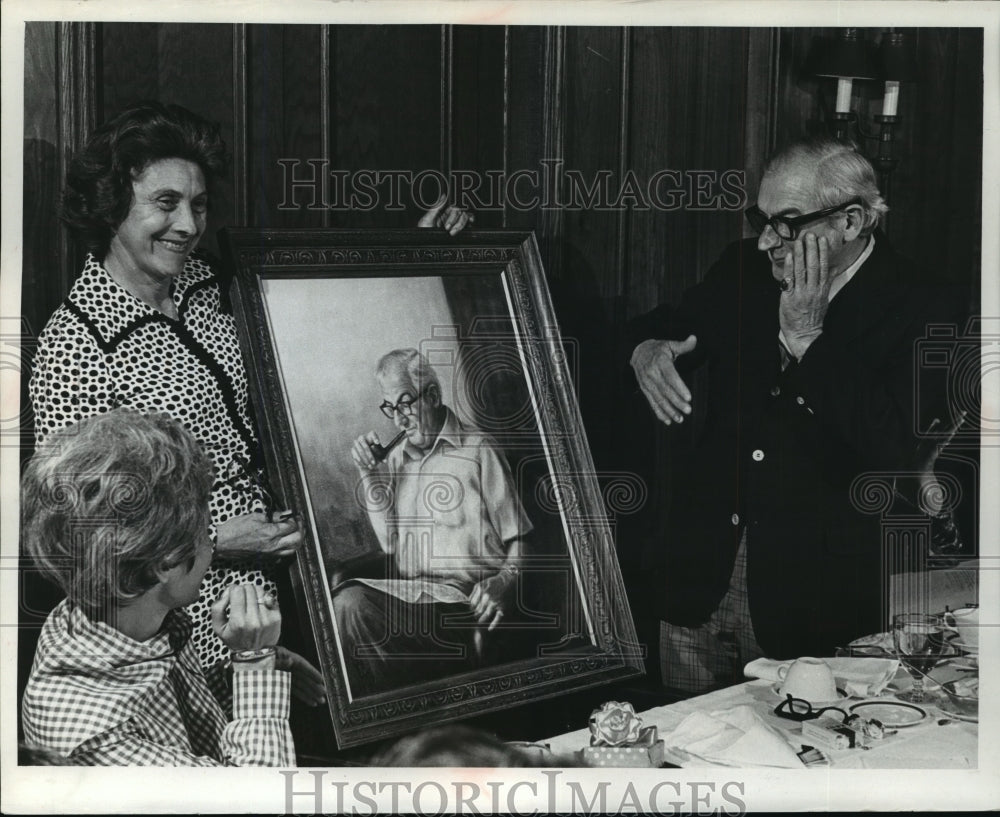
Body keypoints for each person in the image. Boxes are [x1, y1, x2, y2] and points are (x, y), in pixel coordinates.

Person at [28, 101, 472, 702]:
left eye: (199, 204)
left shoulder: (210, 283)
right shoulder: (75, 345)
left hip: (300, 573)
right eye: (166, 203)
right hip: (200, 615)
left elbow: (306, 336)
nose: (188, 224)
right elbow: (82, 536)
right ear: (111, 204)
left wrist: (407, 257)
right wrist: (216, 537)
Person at [628, 138, 966, 694]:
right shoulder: (743, 268)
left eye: (785, 223)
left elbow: (898, 451)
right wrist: (645, 349)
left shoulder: (928, 304)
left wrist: (809, 338)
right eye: (760, 220)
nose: (765, 241)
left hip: (814, 607)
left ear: (852, 221)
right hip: (697, 584)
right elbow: (660, 326)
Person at [20, 410, 294, 766]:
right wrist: (254, 667)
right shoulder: (93, 739)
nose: (211, 545)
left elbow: (174, 724)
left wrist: (241, 677)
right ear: (165, 564)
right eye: (206, 530)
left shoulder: (117, 618)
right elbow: (260, 801)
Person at [338, 349, 532, 694]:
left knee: (352, 606)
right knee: (341, 606)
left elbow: (519, 538)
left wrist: (504, 581)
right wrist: (367, 474)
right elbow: (390, 544)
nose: (398, 419)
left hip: (459, 606)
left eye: (405, 403)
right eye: (390, 408)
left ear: (432, 395)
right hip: (412, 600)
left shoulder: (478, 450)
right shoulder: (398, 458)